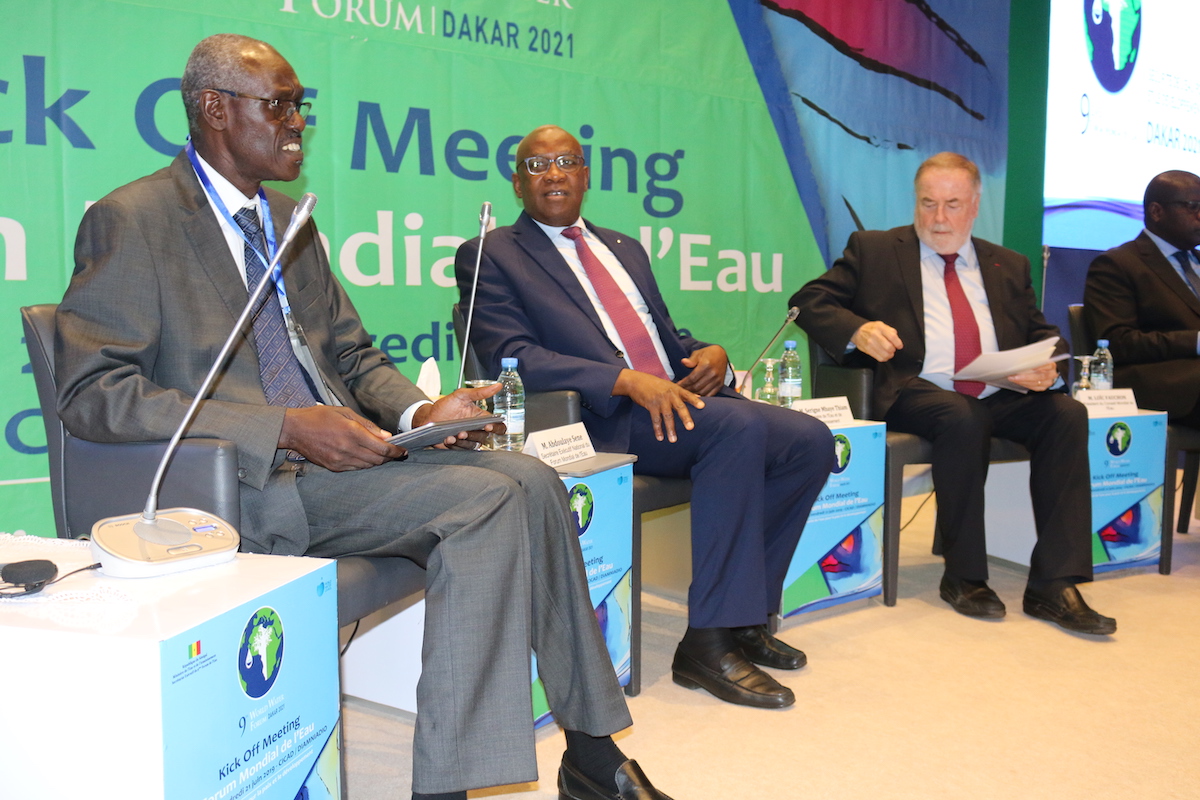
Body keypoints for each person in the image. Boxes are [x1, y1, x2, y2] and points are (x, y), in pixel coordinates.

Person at [54, 35, 673, 800]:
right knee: (489, 501)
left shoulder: (290, 220)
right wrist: (285, 427)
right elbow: (94, 392)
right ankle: (449, 787)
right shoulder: (134, 219)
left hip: (345, 462)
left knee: (534, 481)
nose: (297, 123)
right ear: (215, 109)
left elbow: (351, 355)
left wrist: (422, 409)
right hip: (242, 482)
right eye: (279, 105)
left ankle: (591, 751)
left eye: (300, 107)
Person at [455, 125, 835, 710]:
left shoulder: (624, 247)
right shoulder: (491, 253)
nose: (553, 173)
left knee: (809, 440)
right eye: (536, 165)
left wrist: (709, 353)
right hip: (598, 417)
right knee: (739, 428)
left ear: (585, 175)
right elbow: (512, 354)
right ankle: (708, 641)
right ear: (517, 183)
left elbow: (662, 337)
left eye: (566, 161)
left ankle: (745, 617)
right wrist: (623, 380)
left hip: (671, 400)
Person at [792, 152, 1115, 636]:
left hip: (997, 389)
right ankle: (964, 575)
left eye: (952, 205)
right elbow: (808, 301)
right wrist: (857, 329)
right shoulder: (875, 250)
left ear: (975, 205)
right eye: (928, 204)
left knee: (1066, 414)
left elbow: (1043, 334)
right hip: (914, 389)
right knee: (963, 416)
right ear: (915, 202)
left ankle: (1054, 582)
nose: (939, 218)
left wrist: (1047, 368)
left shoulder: (1008, 264)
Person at [1084, 170, 1200, 427]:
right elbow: (1117, 342)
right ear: (1157, 211)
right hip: (1164, 382)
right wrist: (1195, 341)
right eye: (1193, 206)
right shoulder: (1117, 265)